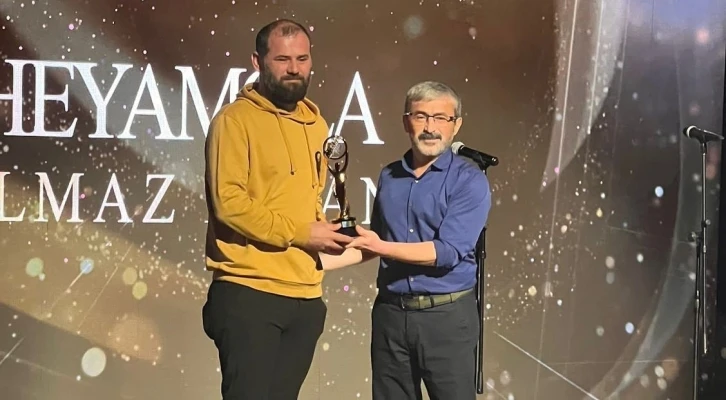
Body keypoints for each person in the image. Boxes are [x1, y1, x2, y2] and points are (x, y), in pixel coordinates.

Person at [202, 19, 353, 400]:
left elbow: (304, 200)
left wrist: (333, 232)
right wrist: (302, 233)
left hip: (305, 295)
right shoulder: (234, 121)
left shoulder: (317, 125)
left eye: (302, 58)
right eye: (282, 59)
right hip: (249, 290)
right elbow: (228, 204)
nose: (294, 69)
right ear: (258, 62)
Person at [321, 81, 492, 400]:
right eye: (421, 116)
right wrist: (315, 265)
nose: (430, 127)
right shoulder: (389, 177)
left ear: (456, 125)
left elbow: (446, 252)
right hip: (390, 315)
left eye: (441, 118)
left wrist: (379, 246)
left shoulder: (469, 181)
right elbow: (374, 244)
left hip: (446, 318)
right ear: (405, 122)